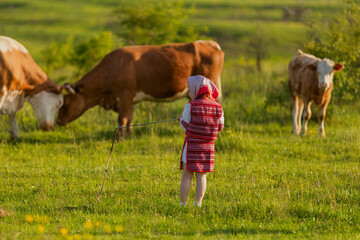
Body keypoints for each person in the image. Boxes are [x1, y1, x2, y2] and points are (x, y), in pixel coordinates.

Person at [178, 75, 224, 207]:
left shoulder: (190, 106)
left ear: (196, 89)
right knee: (201, 175)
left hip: (191, 145)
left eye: (191, 89)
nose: (190, 92)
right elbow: (219, 127)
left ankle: (183, 204)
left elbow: (185, 126)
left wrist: (181, 120)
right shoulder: (218, 108)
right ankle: (198, 204)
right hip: (207, 147)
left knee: (187, 174)